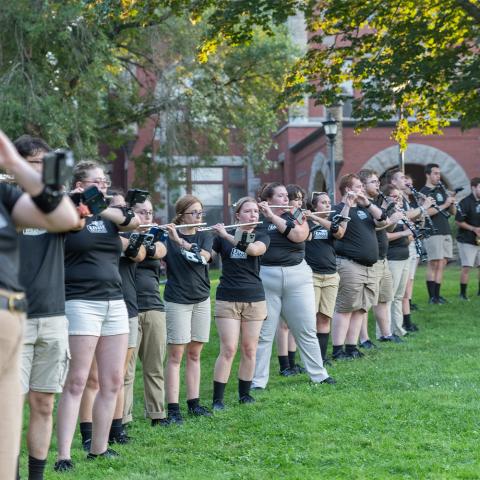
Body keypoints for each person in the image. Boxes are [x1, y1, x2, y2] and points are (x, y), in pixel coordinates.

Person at [0, 130, 79, 480]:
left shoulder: (48, 199)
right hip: (15, 314)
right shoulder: (10, 198)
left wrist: (25, 172)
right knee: (9, 409)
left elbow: (67, 218)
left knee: (44, 404)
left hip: (51, 314)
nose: (42, 172)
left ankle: (36, 476)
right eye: (36, 165)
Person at [55, 161, 139, 471]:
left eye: (105, 182)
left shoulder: (109, 215)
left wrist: (98, 203)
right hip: (80, 301)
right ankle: (63, 455)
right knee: (77, 381)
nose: (103, 186)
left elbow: (131, 222)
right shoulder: (66, 210)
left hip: (114, 302)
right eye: (96, 182)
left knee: (113, 380)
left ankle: (99, 449)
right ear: (79, 183)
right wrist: (79, 201)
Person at [251, 182, 334, 390]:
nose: (285, 199)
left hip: (297, 275)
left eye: (285, 195)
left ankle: (319, 374)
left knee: (306, 328)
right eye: (279, 196)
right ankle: (257, 381)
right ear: (268, 200)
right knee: (264, 333)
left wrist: (273, 217)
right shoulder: (257, 218)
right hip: (267, 277)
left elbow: (299, 235)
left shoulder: (296, 214)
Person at [210, 197, 270, 410]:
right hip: (228, 297)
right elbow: (207, 258)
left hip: (254, 298)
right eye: (248, 211)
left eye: (256, 211)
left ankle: (244, 395)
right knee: (228, 349)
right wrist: (184, 242)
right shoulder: (221, 237)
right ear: (238, 215)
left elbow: (253, 250)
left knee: (250, 349)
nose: (254, 214)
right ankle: (218, 400)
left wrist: (226, 234)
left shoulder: (262, 234)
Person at [163, 195, 213, 424]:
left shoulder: (204, 235)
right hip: (177, 300)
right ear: (181, 214)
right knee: (176, 356)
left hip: (201, 298)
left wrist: (180, 241)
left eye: (201, 212)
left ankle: (194, 403)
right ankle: (173, 409)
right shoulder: (166, 237)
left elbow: (203, 258)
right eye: (194, 212)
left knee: (195, 353)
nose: (199, 216)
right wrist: (169, 237)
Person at [330, 174, 385, 360]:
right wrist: (349, 203)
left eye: (362, 186)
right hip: (349, 264)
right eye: (358, 186)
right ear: (348, 189)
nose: (362, 189)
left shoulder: (365, 209)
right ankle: (338, 349)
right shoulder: (338, 209)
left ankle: (352, 347)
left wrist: (367, 203)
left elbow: (382, 220)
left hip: (369, 266)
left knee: (361, 308)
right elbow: (337, 230)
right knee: (346, 307)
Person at [124, 198, 168, 427]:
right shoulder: (121, 235)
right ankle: (123, 418)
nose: (148, 216)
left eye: (150, 212)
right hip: (127, 309)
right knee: (126, 371)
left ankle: (157, 414)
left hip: (153, 307)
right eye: (142, 212)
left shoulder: (157, 235)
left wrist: (147, 244)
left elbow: (161, 250)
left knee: (154, 366)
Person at [357, 169, 403, 346]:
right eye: (373, 182)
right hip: (370, 258)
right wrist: (389, 218)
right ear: (363, 185)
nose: (378, 185)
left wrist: (394, 216)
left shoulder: (377, 202)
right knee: (365, 302)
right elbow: (367, 229)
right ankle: (364, 339)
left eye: (377, 182)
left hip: (383, 256)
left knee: (384, 298)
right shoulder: (361, 204)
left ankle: (386, 334)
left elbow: (387, 229)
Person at [304, 191, 348, 362]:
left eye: (329, 202)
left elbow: (339, 233)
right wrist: (311, 219)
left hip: (330, 275)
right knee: (311, 318)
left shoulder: (330, 223)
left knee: (325, 318)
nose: (328, 205)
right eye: (323, 202)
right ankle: (311, 358)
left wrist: (318, 219)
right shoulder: (305, 222)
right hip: (312, 275)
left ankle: (321, 358)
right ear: (314, 206)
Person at [275, 184, 306, 376]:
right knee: (283, 324)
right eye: (296, 199)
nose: (298, 202)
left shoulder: (297, 215)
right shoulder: (276, 217)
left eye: (300, 199)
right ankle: (284, 364)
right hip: (277, 273)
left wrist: (303, 215)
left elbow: (306, 234)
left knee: (295, 322)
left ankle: (293, 363)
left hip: (298, 271)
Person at [420, 164, 456, 304]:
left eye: (439, 173)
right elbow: (425, 212)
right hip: (432, 231)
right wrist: (445, 205)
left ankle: (437, 295)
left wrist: (451, 202)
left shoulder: (442, 190)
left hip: (445, 230)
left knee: (442, 263)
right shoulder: (423, 192)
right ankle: (431, 297)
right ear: (428, 175)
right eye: (435, 173)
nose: (438, 176)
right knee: (433, 263)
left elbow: (452, 213)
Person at [382, 185, 412, 339]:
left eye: (399, 196)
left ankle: (398, 329)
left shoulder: (400, 213)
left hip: (404, 256)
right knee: (389, 297)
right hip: (392, 257)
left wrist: (411, 230)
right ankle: (384, 332)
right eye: (394, 196)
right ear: (386, 197)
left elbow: (409, 234)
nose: (398, 199)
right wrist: (404, 232)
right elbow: (384, 235)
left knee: (399, 296)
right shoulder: (386, 214)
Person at [455, 177, 480, 300]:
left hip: (479, 240)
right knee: (467, 267)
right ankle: (462, 294)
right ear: (474, 188)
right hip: (466, 239)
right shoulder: (464, 202)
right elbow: (458, 221)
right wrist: (474, 229)